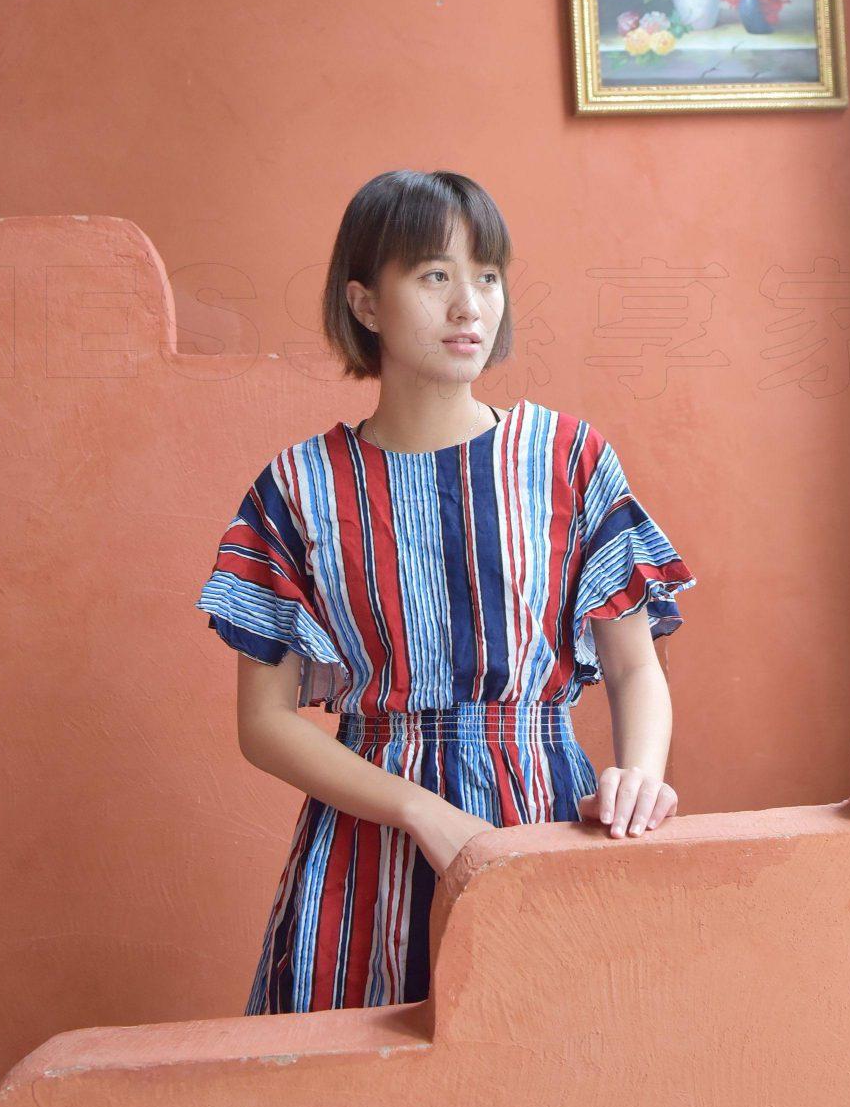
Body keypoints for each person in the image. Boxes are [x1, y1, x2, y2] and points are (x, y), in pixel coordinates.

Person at [196, 169, 696, 1014]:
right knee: (351, 1075)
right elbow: (264, 722)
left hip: (544, 819)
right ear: (364, 304)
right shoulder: (298, 488)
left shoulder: (567, 460)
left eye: (487, 276)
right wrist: (420, 812)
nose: (469, 305)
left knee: (557, 1056)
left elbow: (633, 667)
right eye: (434, 276)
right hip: (365, 846)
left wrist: (639, 777)